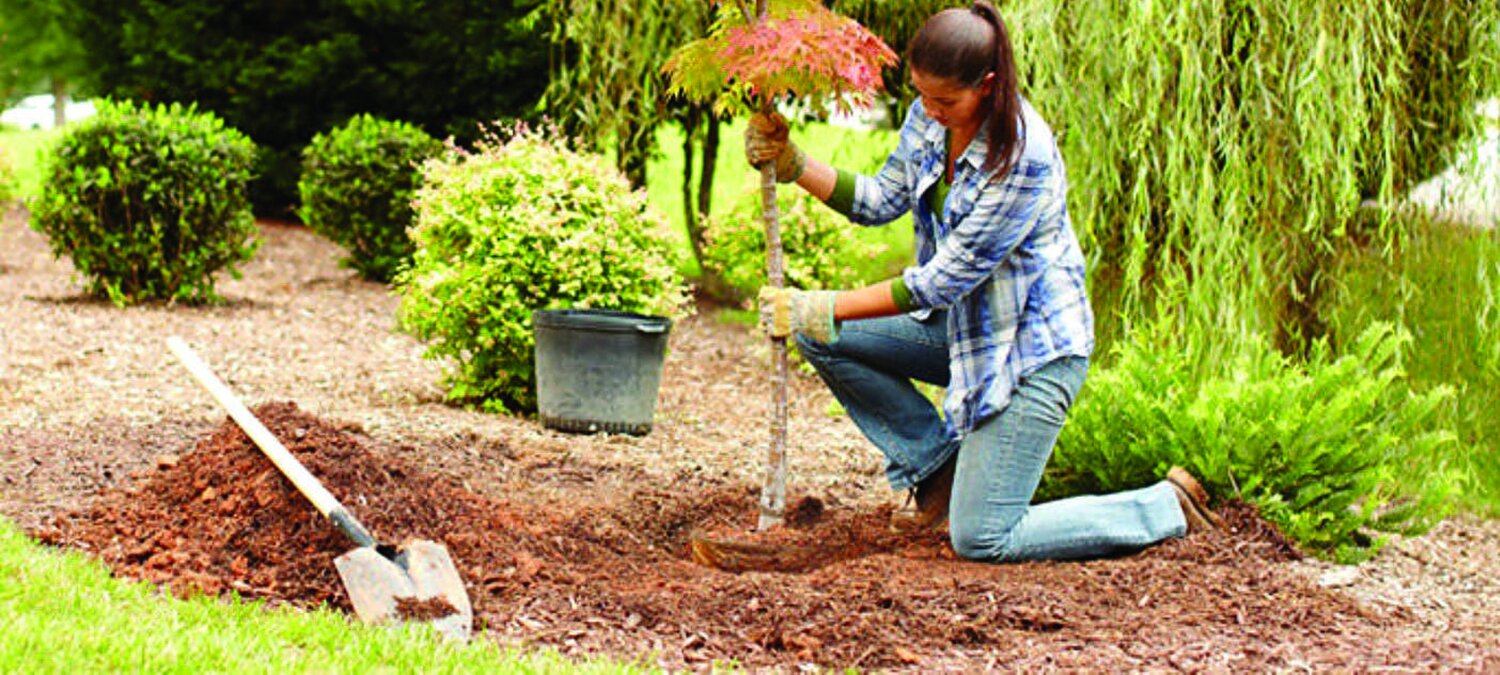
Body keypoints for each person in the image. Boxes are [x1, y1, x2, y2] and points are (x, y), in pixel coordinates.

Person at [748, 0, 1223, 562]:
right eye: (922, 94)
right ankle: (939, 474)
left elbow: (938, 284)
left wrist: (820, 304)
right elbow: (880, 200)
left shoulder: (1023, 156)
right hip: (966, 334)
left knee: (983, 538)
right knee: (823, 336)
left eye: (945, 99)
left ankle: (1163, 507)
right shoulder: (930, 117)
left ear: (989, 85)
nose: (929, 109)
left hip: (1030, 354)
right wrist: (794, 163)